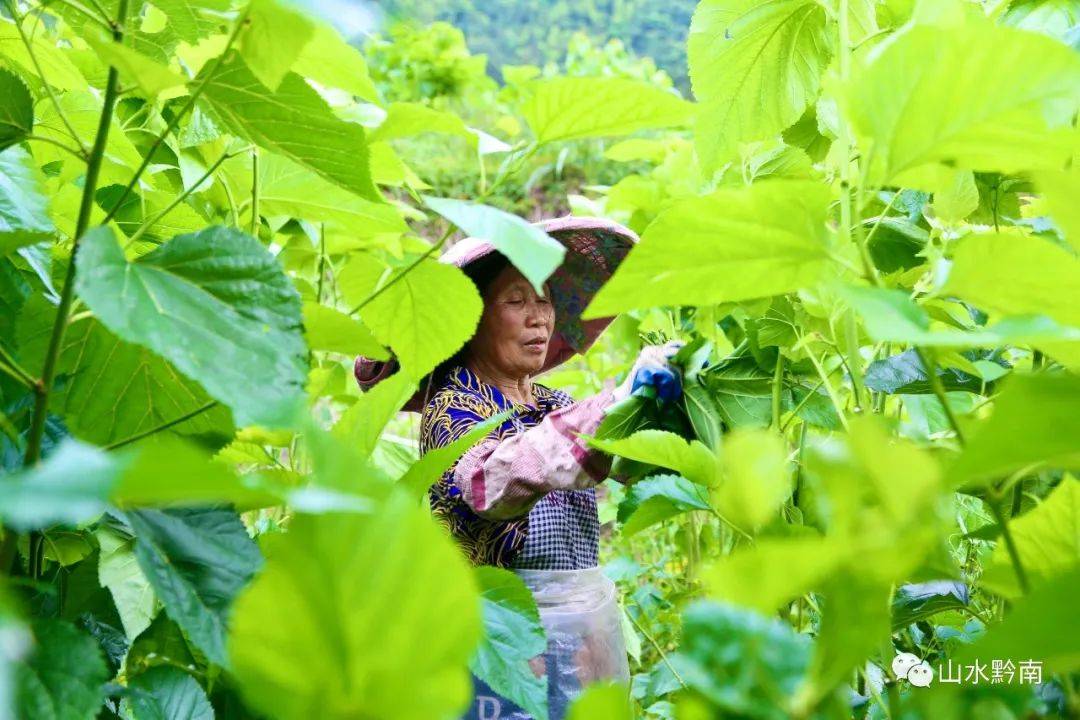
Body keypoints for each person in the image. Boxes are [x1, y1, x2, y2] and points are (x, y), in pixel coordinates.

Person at [354, 217, 683, 720]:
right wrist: (610, 403)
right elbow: (496, 482)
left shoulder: (551, 401)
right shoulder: (455, 409)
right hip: (498, 643)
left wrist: (659, 406)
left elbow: (632, 463)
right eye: (516, 301)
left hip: (574, 637)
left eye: (545, 300)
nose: (539, 318)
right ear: (471, 320)